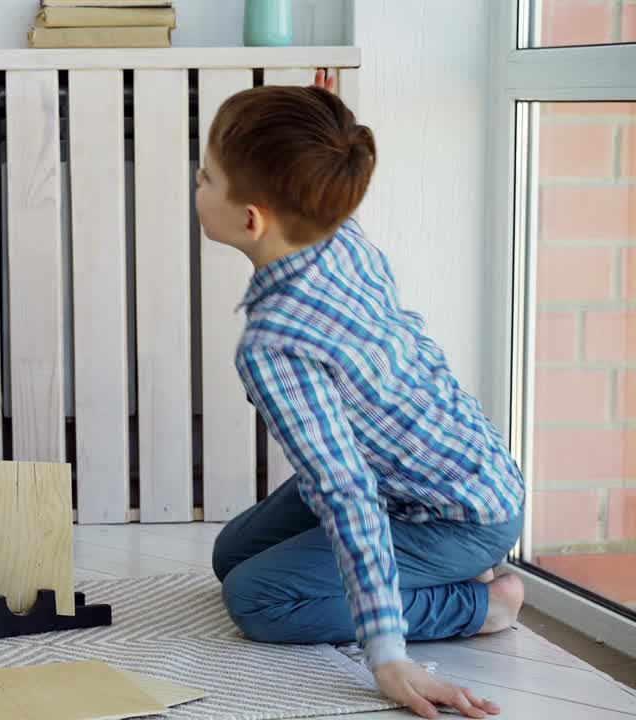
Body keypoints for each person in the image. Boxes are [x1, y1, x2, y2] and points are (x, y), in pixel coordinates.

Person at [199, 71, 526, 720]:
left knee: (256, 600)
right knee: (229, 555)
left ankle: (481, 604)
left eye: (206, 177)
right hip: (432, 472)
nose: (197, 185)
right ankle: (447, 578)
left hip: (455, 514)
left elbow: (349, 498)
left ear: (251, 217)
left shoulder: (273, 347)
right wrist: (322, 125)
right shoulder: (338, 235)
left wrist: (388, 654)